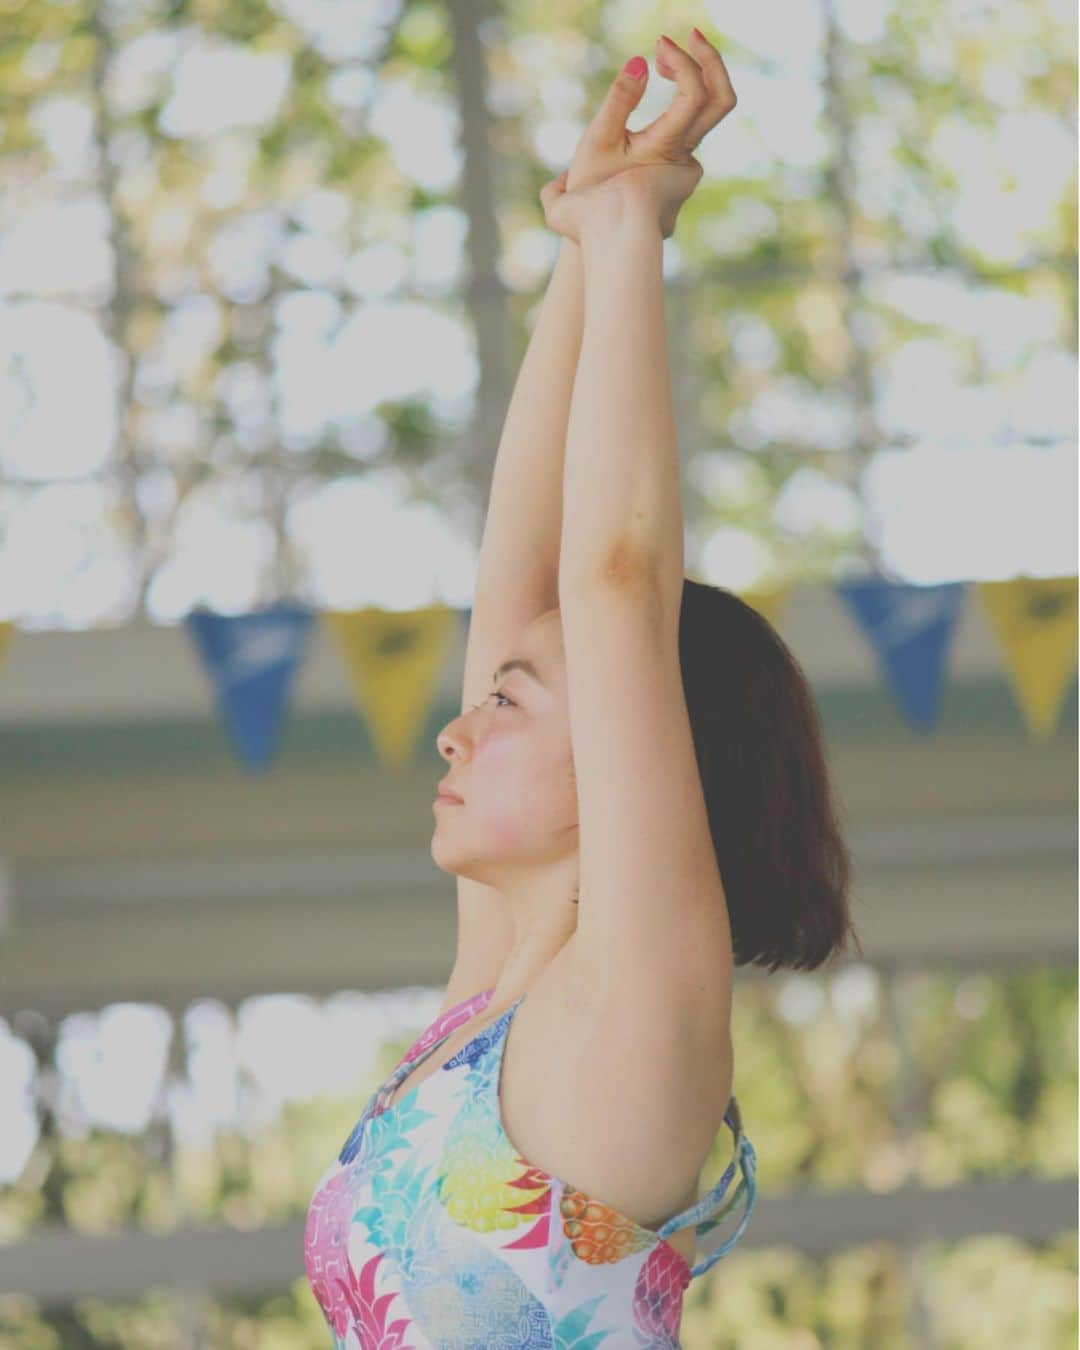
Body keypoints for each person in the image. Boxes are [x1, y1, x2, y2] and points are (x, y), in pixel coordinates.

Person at [306, 28, 860, 1347]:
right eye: (486, 697)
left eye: (505, 707)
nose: (454, 719)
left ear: (640, 748)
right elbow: (525, 580)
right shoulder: (496, 995)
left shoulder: (631, 1006)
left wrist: (633, 244)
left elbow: (614, 579)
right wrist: (574, 245)